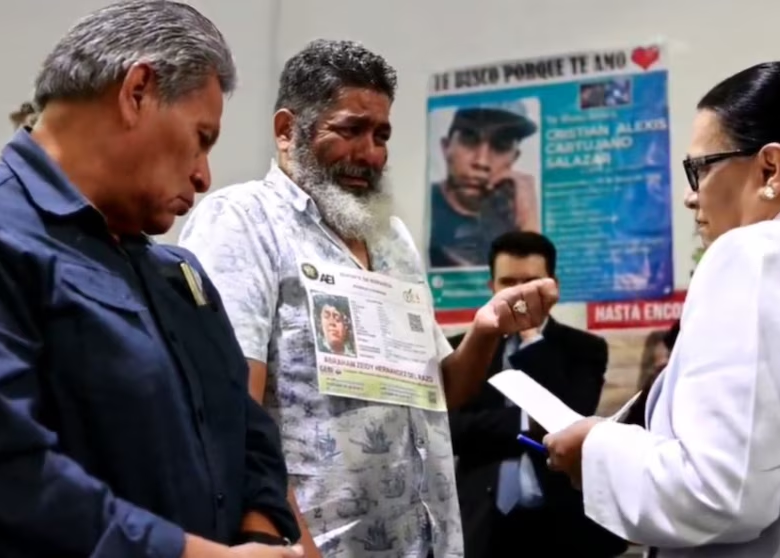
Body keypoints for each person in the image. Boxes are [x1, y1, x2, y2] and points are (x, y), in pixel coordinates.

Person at [0, 2, 302, 557]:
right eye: (201, 137)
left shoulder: (179, 276)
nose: (204, 176)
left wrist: (258, 537)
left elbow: (249, 435)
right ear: (137, 92)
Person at [179, 39, 558, 558]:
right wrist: (288, 543)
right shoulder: (243, 223)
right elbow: (231, 414)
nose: (370, 154)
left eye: (381, 135)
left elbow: (441, 392)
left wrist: (486, 328)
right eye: (350, 130)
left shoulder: (391, 238)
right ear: (287, 130)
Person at [544, 61, 780, 557]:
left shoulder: (758, 253)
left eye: (700, 168)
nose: (691, 196)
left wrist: (596, 449)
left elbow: (716, 493)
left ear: (770, 169)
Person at [448, 231, 626, 558]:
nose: (519, 296)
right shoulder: (462, 348)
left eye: (531, 283)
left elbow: (570, 418)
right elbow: (454, 430)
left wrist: (532, 341)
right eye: (508, 283)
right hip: (482, 519)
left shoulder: (584, 348)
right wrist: (527, 422)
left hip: (561, 520)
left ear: (553, 286)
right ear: (492, 287)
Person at [428, 102, 539, 268]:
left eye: (501, 145)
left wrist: (529, 226)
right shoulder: (419, 208)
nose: (481, 162)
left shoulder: (517, 219)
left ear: (514, 158)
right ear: (446, 147)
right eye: (469, 140)